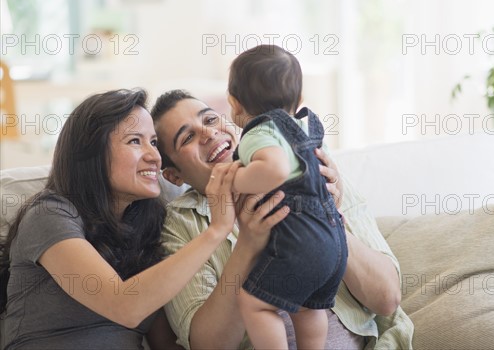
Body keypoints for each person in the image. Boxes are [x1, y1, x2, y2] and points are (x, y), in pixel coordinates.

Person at [0, 89, 287, 350]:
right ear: (92, 155)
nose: (154, 156)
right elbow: (124, 305)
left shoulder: (147, 228)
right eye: (135, 141)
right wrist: (216, 230)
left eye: (153, 142)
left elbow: (165, 343)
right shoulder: (49, 214)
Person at [151, 89, 415, 350]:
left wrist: (326, 218)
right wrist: (247, 246)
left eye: (209, 120)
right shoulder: (181, 225)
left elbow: (387, 298)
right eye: (187, 137)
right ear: (174, 176)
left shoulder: (308, 162)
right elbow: (208, 345)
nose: (209, 133)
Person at [226, 44, 348, 349]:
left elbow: (276, 168)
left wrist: (237, 177)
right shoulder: (305, 128)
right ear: (300, 100)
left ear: (234, 104)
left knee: (254, 302)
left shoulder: (259, 133)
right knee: (309, 307)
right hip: (334, 243)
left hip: (302, 244)